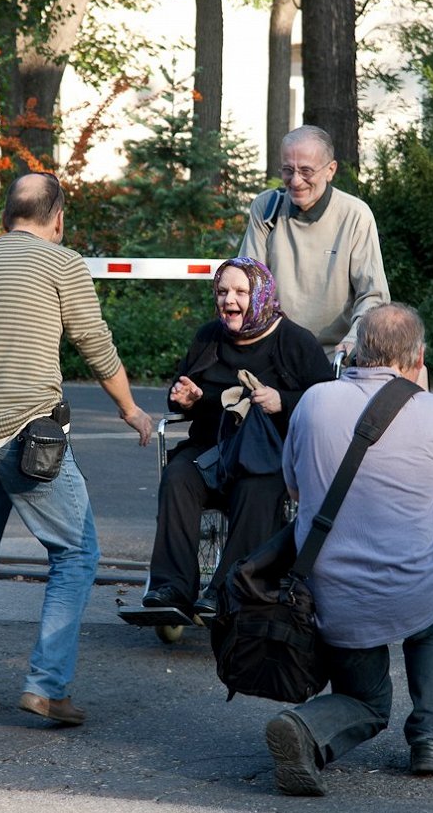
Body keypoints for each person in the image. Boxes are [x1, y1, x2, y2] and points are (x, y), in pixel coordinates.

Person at [0, 172, 153, 725]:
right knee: (76, 553)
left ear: (7, 215)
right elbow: (95, 344)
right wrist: (130, 409)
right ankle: (46, 686)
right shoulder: (62, 264)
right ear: (57, 219)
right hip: (26, 432)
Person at [265, 302, 433, 796]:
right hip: (415, 588)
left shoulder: (314, 402)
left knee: (365, 700)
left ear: (357, 351)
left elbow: (295, 491)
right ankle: (431, 736)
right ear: (417, 356)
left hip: (332, 593)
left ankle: (308, 728)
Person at [142, 256, 334, 617]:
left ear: (260, 294)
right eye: (222, 291)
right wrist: (185, 397)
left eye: (240, 292)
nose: (229, 300)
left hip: (267, 454)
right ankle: (172, 588)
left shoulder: (294, 341)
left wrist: (284, 401)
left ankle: (224, 589)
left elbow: (329, 403)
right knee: (178, 477)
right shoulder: (208, 336)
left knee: (258, 488)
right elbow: (184, 389)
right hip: (212, 448)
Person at [238, 125, 390, 357]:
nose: (296, 181)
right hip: (275, 351)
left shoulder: (355, 215)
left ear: (330, 170)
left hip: (335, 354)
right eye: (288, 170)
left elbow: (373, 295)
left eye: (306, 171)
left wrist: (353, 340)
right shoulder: (266, 209)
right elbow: (247, 283)